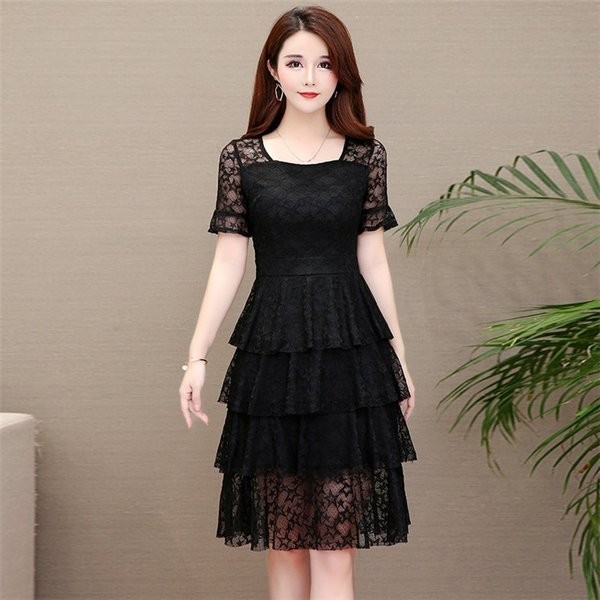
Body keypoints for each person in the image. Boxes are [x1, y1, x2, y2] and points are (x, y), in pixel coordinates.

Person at [179, 6, 417, 600]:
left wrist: (398, 359)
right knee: (284, 544)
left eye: (325, 63)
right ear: (273, 70)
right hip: (273, 356)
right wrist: (196, 357)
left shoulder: (366, 157)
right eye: (295, 62)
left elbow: (374, 260)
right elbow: (228, 262)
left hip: (349, 358)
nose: (310, 77)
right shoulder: (241, 158)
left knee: (336, 548)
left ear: (342, 73)